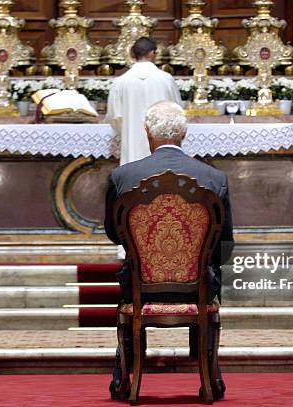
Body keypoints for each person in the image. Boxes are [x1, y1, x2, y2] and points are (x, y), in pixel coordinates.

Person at [104, 101, 234, 400]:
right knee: (213, 277)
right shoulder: (214, 178)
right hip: (197, 288)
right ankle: (211, 376)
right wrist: (195, 267)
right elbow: (225, 245)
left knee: (128, 287)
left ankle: (123, 378)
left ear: (147, 133)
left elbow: (114, 234)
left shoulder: (123, 177)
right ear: (185, 134)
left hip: (140, 287)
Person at [106, 37, 182, 165]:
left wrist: (128, 131)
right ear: (152, 53)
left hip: (132, 146)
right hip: (162, 144)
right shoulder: (166, 80)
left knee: (133, 179)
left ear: (132, 54)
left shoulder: (120, 82)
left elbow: (114, 117)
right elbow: (178, 112)